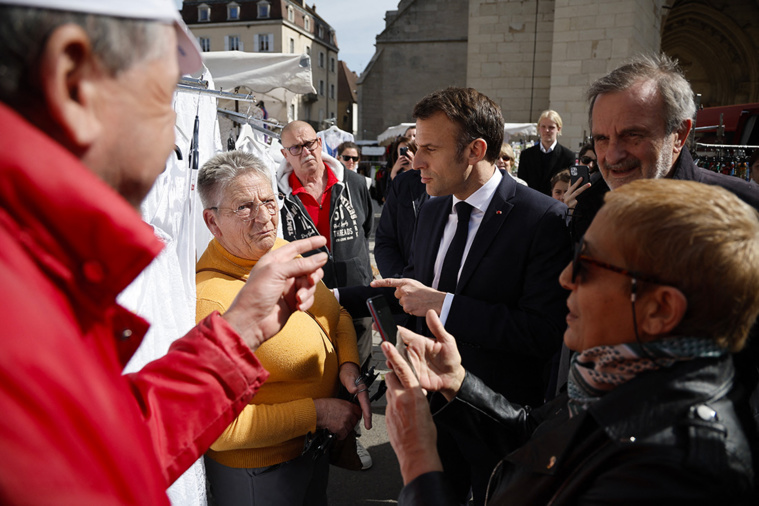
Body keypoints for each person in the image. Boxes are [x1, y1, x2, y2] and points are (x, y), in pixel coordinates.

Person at [0, 1, 329, 503]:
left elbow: (113, 447)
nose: (165, 145)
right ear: (74, 82)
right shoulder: (21, 292)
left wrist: (240, 332)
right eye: (161, 98)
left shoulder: (41, 260)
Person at [384, 179, 759, 505]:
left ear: (661, 309)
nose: (565, 277)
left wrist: (418, 460)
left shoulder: (677, 470)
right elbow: (540, 439)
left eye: (587, 263)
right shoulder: (619, 373)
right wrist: (458, 383)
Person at [343, 87, 571, 505]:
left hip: (496, 419)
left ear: (475, 150)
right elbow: (413, 290)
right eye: (416, 146)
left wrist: (445, 306)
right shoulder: (431, 208)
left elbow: (543, 332)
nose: (417, 160)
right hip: (428, 414)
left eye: (429, 148)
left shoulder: (542, 218)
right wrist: (332, 297)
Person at [196, 151, 370, 505]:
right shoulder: (212, 302)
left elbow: (335, 315)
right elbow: (221, 428)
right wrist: (319, 412)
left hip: (311, 449)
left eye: (269, 202)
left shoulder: (280, 252)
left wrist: (349, 364)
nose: (264, 217)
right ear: (212, 223)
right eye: (244, 207)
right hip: (261, 473)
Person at [569, 53, 759, 243]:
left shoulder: (747, 210)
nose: (612, 156)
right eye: (601, 138)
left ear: (680, 134)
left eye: (632, 135)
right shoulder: (588, 207)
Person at [277, 120, 375, 468]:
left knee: (356, 369)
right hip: (309, 301)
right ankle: (319, 438)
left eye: (309, 144)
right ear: (285, 154)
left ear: (320, 143)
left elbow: (366, 230)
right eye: (295, 148)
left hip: (355, 293)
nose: (305, 153)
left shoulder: (354, 183)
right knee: (318, 368)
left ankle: (351, 439)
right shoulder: (278, 197)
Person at [374, 140, 428, 279]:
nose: (416, 162)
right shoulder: (402, 182)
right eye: (417, 150)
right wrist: (400, 282)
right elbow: (385, 240)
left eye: (430, 150)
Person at [517, 110, 575, 195]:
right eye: (543, 126)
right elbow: (521, 184)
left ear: (558, 129)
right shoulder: (526, 155)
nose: (546, 130)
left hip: (555, 204)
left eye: (551, 127)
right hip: (532, 202)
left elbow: (569, 185)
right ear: (539, 128)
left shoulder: (568, 156)